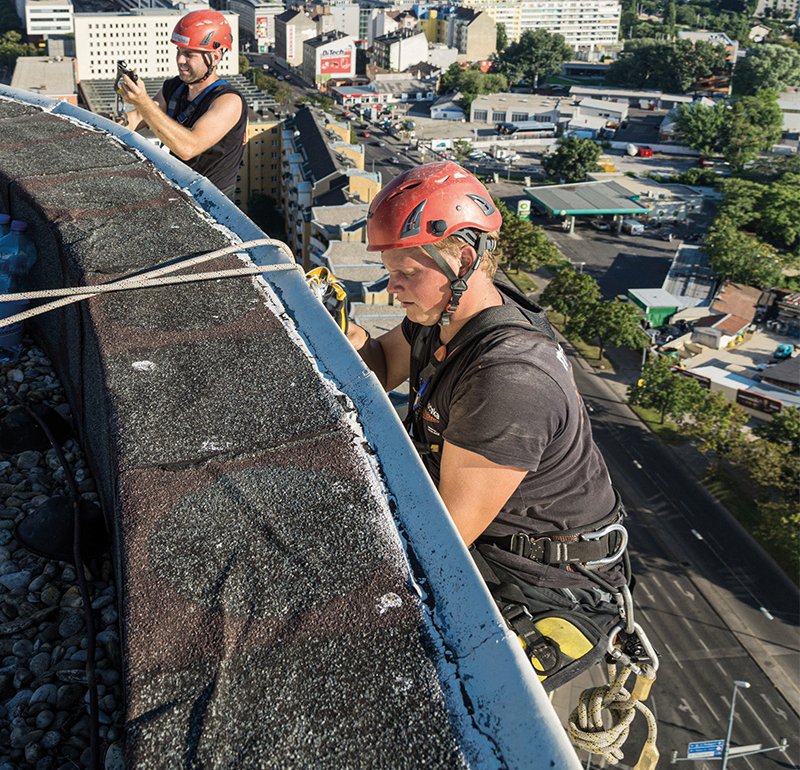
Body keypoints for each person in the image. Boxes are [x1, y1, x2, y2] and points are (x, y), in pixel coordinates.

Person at [345, 161, 649, 689]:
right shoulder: (444, 314)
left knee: (432, 691)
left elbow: (440, 539)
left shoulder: (507, 377)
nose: (392, 286)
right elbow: (377, 364)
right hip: (499, 550)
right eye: (390, 270)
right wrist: (333, 321)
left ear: (463, 258)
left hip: (546, 586)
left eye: (407, 271)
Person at [117, 9, 247, 198]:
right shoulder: (175, 87)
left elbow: (188, 148)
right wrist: (95, 126)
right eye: (178, 51)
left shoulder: (228, 101)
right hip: (179, 191)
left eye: (189, 54)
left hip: (212, 204)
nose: (180, 60)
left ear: (215, 57)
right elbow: (137, 117)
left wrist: (142, 101)